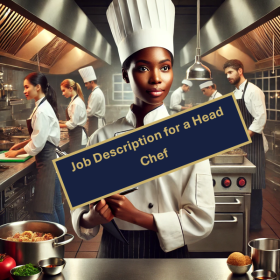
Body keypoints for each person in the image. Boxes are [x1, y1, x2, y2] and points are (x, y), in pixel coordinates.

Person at [71, 0, 215, 258]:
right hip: (113, 254)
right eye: (143, 68)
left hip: (169, 255)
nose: (156, 78)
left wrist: (137, 216)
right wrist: (92, 217)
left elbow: (202, 219)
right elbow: (79, 214)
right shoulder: (100, 138)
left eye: (165, 67)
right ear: (126, 74)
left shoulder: (190, 137)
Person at [5, 72, 64, 224]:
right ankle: (59, 245)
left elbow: (37, 144)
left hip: (47, 163)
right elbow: (38, 135)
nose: (24, 91)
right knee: (55, 205)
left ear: (37, 87)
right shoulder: (41, 106)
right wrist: (20, 144)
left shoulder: (42, 110)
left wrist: (16, 152)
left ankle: (54, 244)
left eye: (26, 87)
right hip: (50, 162)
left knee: (44, 210)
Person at [223, 59, 268, 231]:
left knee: (254, 185)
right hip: (241, 142)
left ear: (240, 71)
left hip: (253, 142)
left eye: (230, 72)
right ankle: (243, 220)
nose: (228, 76)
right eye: (226, 73)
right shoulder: (235, 93)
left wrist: (244, 137)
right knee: (241, 183)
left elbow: (260, 118)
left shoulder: (254, 91)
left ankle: (254, 224)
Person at [59, 79, 87, 153]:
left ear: (70, 88)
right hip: (76, 136)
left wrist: (57, 125)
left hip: (78, 138)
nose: (62, 93)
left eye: (63, 90)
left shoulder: (76, 103)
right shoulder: (74, 101)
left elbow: (72, 123)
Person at [78, 66, 106, 137]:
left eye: (86, 83)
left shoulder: (95, 93)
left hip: (95, 123)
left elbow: (90, 112)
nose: (85, 85)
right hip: (95, 122)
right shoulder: (96, 92)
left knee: (94, 143)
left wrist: (79, 115)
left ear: (92, 82)